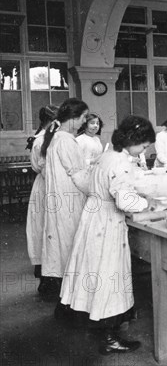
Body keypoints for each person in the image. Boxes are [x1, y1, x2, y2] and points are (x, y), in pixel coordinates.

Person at [60, 115, 156, 355]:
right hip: (107, 222)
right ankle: (110, 338)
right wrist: (147, 204)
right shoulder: (121, 163)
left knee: (93, 273)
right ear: (133, 140)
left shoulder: (107, 155)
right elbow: (124, 200)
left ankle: (96, 324)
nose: (143, 150)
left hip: (92, 218)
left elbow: (91, 182)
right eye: (144, 146)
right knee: (110, 274)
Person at [40, 98, 90, 300]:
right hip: (69, 202)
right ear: (73, 117)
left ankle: (67, 294)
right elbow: (79, 176)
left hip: (60, 201)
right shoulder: (67, 141)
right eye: (84, 117)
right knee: (71, 246)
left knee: (62, 247)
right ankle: (73, 298)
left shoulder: (56, 138)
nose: (85, 121)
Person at [25, 104, 59, 294]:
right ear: (51, 120)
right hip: (46, 187)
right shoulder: (40, 141)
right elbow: (42, 167)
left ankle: (54, 278)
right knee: (45, 229)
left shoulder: (53, 138)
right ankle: (47, 282)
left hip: (54, 185)